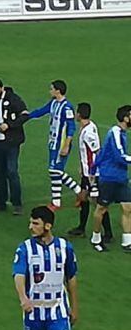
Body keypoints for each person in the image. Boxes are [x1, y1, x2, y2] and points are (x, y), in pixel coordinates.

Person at [26, 80, 79, 210]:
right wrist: (27, 115)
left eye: (51, 89)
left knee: (55, 170)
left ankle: (78, 192)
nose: (50, 91)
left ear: (58, 91)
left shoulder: (67, 107)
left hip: (61, 143)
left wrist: (67, 145)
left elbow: (71, 127)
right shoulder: (53, 103)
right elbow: (42, 111)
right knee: (54, 171)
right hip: (53, 142)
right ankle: (59, 201)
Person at [67, 103, 112, 241]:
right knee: (83, 198)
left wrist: (93, 172)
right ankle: (81, 227)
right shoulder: (88, 126)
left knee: (97, 203)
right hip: (87, 172)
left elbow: (97, 152)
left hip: (92, 175)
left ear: (79, 114)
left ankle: (108, 233)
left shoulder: (88, 133)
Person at [91, 104, 131, 253]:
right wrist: (94, 170)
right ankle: (96, 238)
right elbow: (119, 156)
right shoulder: (115, 132)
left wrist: (94, 166)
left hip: (121, 178)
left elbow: (102, 153)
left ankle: (127, 241)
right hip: (109, 177)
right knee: (101, 208)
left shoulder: (123, 133)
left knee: (128, 207)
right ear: (125, 117)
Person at [0, 78, 28, 215]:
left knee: (11, 171)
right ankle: (1, 201)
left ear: (2, 88)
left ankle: (17, 203)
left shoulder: (13, 99)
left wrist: (9, 125)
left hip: (10, 142)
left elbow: (25, 115)